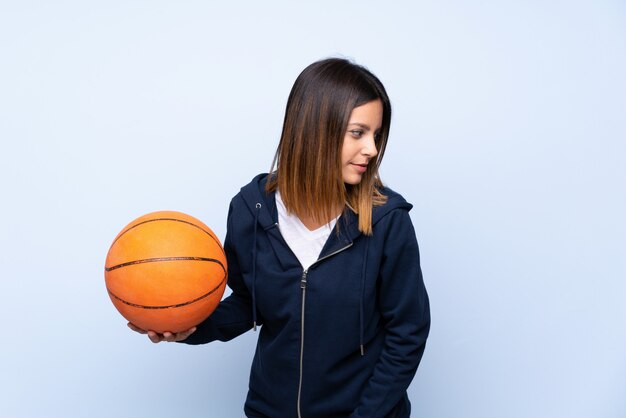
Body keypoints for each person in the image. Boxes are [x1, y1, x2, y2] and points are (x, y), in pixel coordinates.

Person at [128, 57, 431, 418]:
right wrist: (183, 326)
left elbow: (407, 334)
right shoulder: (250, 210)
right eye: (358, 132)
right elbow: (247, 304)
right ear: (316, 129)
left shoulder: (386, 222)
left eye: (376, 135)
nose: (372, 149)